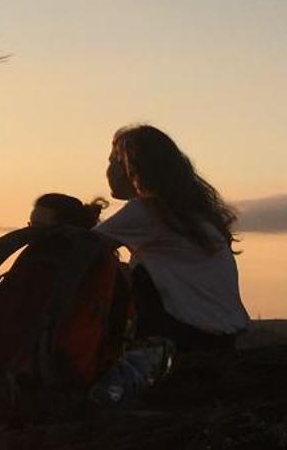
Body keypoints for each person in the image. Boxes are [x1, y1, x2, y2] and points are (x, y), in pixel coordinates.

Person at [95, 125, 250, 350]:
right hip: (222, 337)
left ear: (133, 168)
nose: (109, 170)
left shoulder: (147, 211)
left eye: (114, 162)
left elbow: (80, 248)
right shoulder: (196, 215)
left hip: (179, 337)